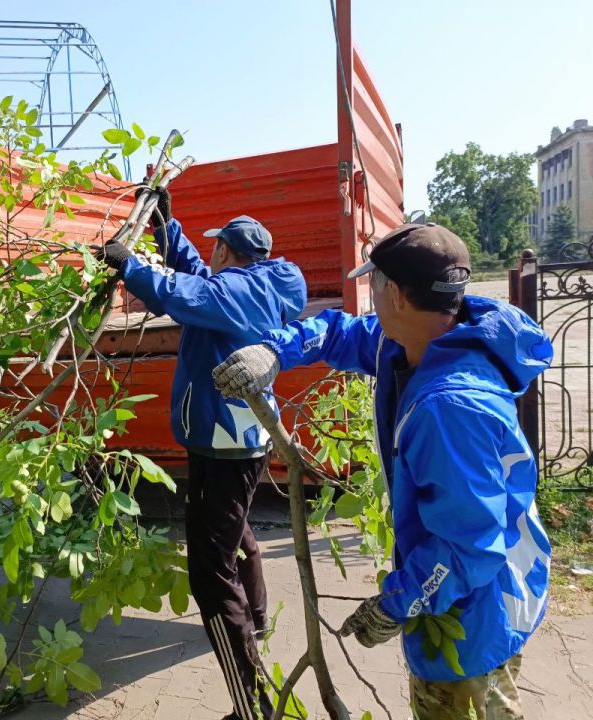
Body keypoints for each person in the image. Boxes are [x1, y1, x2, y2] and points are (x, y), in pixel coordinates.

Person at [212, 223, 554, 720]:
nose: (369, 295)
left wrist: (396, 604)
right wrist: (274, 351)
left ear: (393, 292)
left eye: (374, 283)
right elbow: (336, 331)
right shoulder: (423, 341)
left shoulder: (449, 407)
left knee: (470, 704)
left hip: (473, 611)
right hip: (485, 586)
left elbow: (467, 545)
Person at [96, 189, 307, 720]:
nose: (208, 254)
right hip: (240, 438)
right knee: (234, 531)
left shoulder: (235, 294)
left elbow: (179, 294)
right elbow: (194, 276)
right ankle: (256, 616)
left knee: (210, 574)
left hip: (223, 441)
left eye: (215, 248)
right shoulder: (253, 286)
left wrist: (131, 268)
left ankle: (253, 705)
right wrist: (168, 227)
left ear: (228, 253)